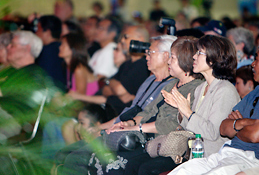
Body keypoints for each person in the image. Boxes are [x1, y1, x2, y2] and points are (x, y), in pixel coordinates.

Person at [60, 35, 177, 175]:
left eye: (150, 52)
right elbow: (130, 111)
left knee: (75, 159)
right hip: (125, 128)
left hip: (137, 137)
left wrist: (107, 130)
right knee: (64, 154)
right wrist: (102, 127)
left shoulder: (172, 85)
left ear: (165, 56)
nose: (146, 56)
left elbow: (149, 119)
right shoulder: (150, 80)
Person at [127, 35, 240, 175]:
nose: (194, 57)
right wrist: (181, 110)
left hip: (212, 158)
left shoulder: (225, 90)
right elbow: (189, 127)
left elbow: (212, 132)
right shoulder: (202, 88)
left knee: (147, 169)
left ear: (213, 59)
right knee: (133, 164)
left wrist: (187, 112)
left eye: (199, 53)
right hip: (194, 155)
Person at [168, 38, 259, 175]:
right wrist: (245, 122)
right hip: (228, 153)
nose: (252, 64)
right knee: (181, 172)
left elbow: (255, 135)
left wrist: (237, 125)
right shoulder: (256, 92)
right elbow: (224, 128)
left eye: (256, 59)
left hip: (253, 160)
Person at [69, 25, 150, 115]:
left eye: (126, 37)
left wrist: (112, 85)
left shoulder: (142, 65)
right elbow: (106, 90)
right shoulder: (127, 64)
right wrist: (111, 83)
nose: (123, 41)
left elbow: (120, 91)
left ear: (140, 39)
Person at [35, 15, 66, 91]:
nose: (36, 33)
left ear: (47, 32)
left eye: (38, 29)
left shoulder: (46, 51)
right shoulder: (61, 48)